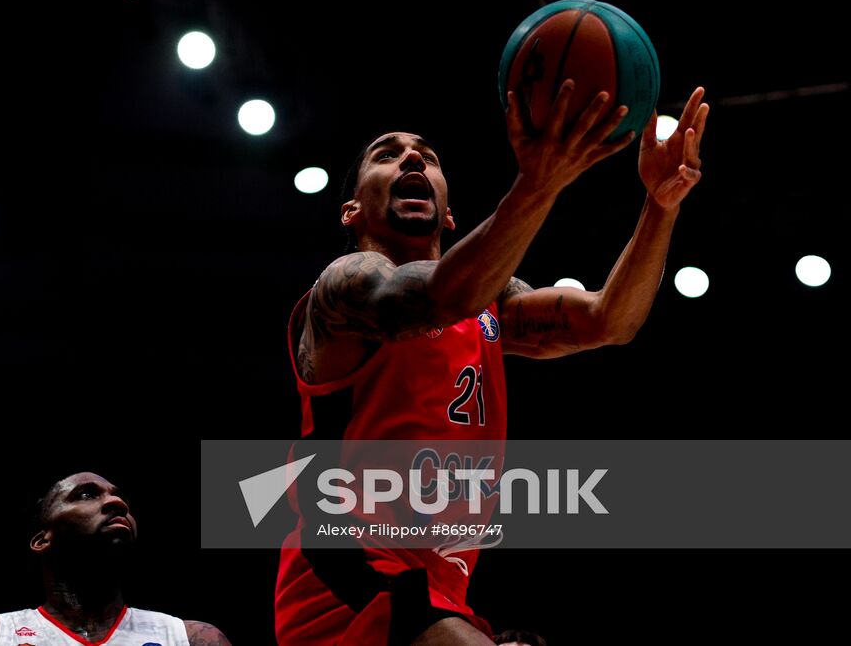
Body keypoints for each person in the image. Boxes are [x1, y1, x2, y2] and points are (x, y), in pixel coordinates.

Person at [274, 83, 709, 646]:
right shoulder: (345, 287)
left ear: (449, 213)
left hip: (437, 589)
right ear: (351, 209)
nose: (412, 158)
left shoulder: (489, 303)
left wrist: (660, 204)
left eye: (427, 157)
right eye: (388, 154)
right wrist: (540, 180)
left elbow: (608, 321)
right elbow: (439, 298)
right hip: (347, 575)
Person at [0, 471, 231, 646]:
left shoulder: (193, 639)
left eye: (118, 495)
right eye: (86, 494)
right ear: (42, 540)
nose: (117, 502)